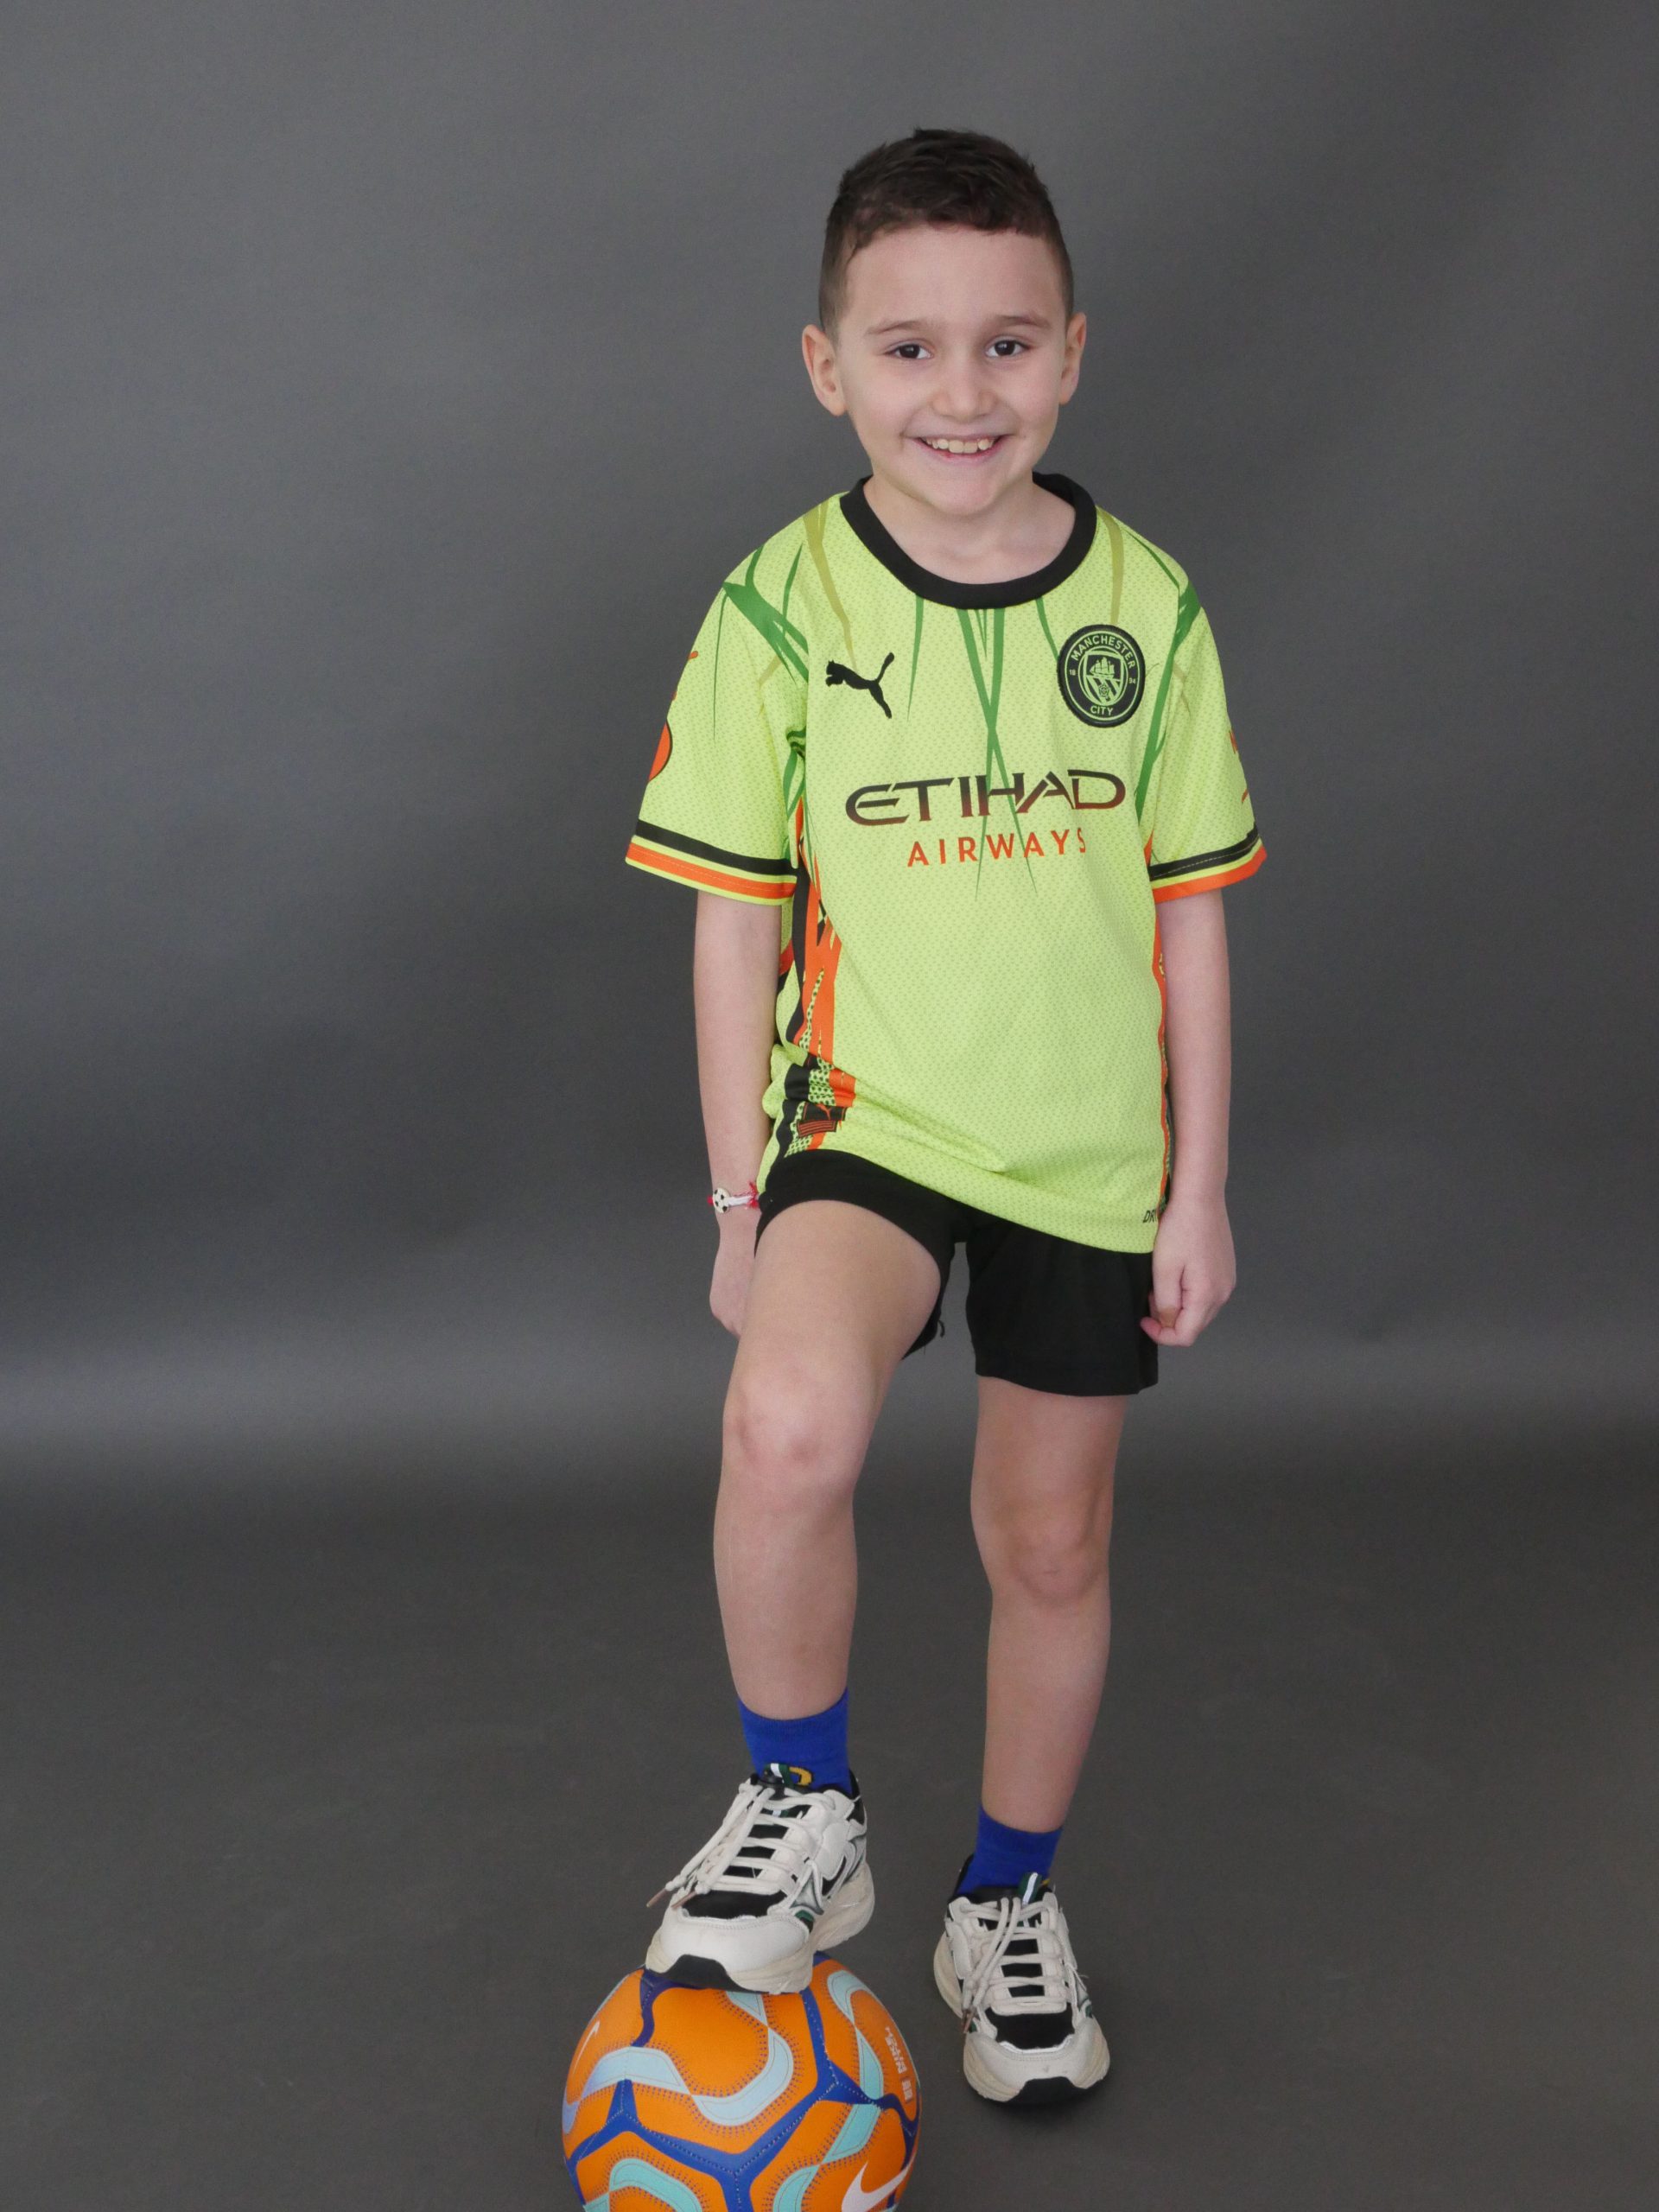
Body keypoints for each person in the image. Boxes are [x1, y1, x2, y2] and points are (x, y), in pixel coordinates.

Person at [623, 124, 1264, 2106]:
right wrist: (739, 1197)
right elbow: (734, 922)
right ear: (829, 367)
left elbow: (1190, 916)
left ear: (1071, 353)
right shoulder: (777, 607)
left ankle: (1004, 1903)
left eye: (1006, 344)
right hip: (869, 1121)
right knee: (787, 1418)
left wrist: (1200, 1186)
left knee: (1046, 1542)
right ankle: (800, 1801)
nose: (960, 392)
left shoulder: (1150, 609)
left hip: (1087, 1147)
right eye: (907, 349)